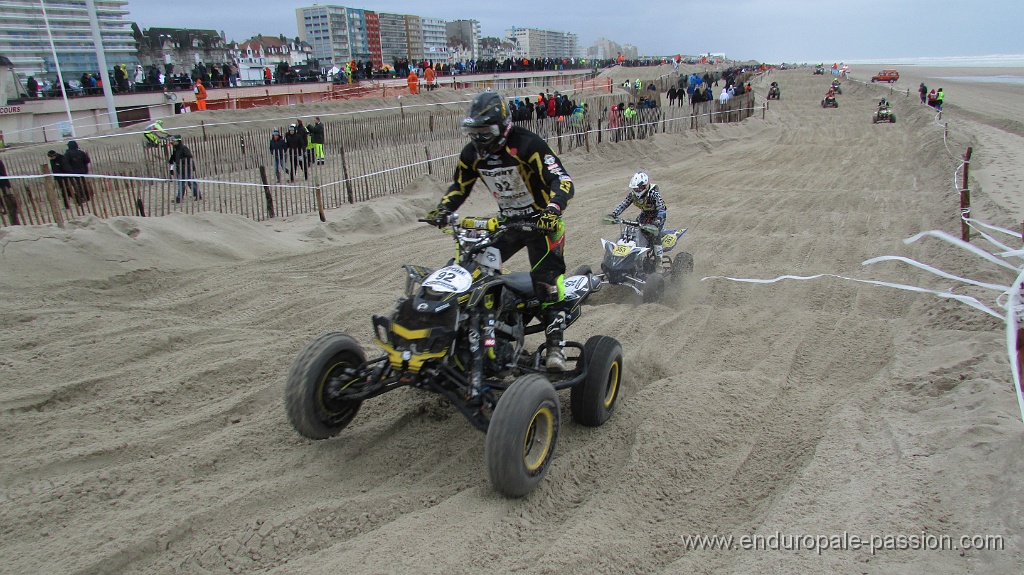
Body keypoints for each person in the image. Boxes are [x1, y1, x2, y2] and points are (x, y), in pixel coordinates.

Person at [424, 92, 575, 371]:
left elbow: (562, 179)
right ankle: (477, 334)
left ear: (503, 126)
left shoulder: (528, 145)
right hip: (507, 223)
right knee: (472, 272)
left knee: (547, 282)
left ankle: (556, 347)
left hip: (542, 223)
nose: (479, 139)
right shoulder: (472, 155)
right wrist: (443, 209)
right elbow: (459, 186)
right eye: (474, 132)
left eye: (486, 132)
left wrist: (553, 208)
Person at [608, 171, 668, 271]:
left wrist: (657, 221)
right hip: (644, 216)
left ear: (645, 186)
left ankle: (659, 263)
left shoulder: (654, 194)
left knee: (655, 236)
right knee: (630, 233)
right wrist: (614, 214)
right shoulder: (632, 195)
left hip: (656, 217)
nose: (637, 190)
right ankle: (625, 259)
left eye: (639, 188)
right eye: (635, 188)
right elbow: (624, 204)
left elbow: (662, 209)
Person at [168, 135, 200, 202]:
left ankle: (198, 195)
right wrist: (171, 168)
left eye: (174, 141)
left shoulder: (184, 148)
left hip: (187, 168)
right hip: (180, 169)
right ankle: (179, 198)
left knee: (191, 182)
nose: (172, 142)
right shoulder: (175, 149)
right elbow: (173, 159)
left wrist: (181, 161)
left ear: (178, 141)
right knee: (181, 183)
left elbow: (189, 157)